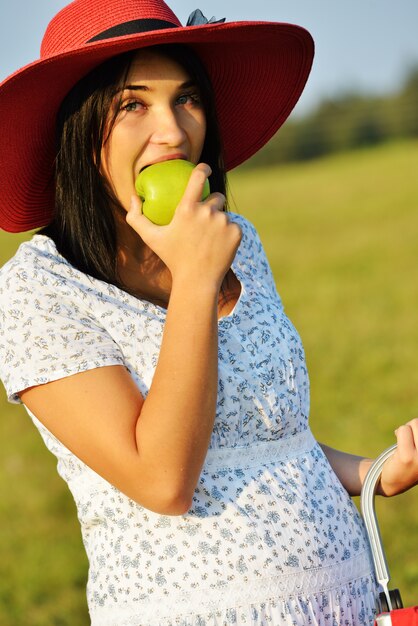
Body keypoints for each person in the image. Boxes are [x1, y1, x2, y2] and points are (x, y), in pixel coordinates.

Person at [0, 0, 417, 624]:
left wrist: (376, 471)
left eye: (186, 99)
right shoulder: (38, 292)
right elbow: (163, 478)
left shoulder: (234, 241)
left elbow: (265, 438)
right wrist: (196, 281)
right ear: (81, 134)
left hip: (342, 603)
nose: (172, 131)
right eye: (132, 105)